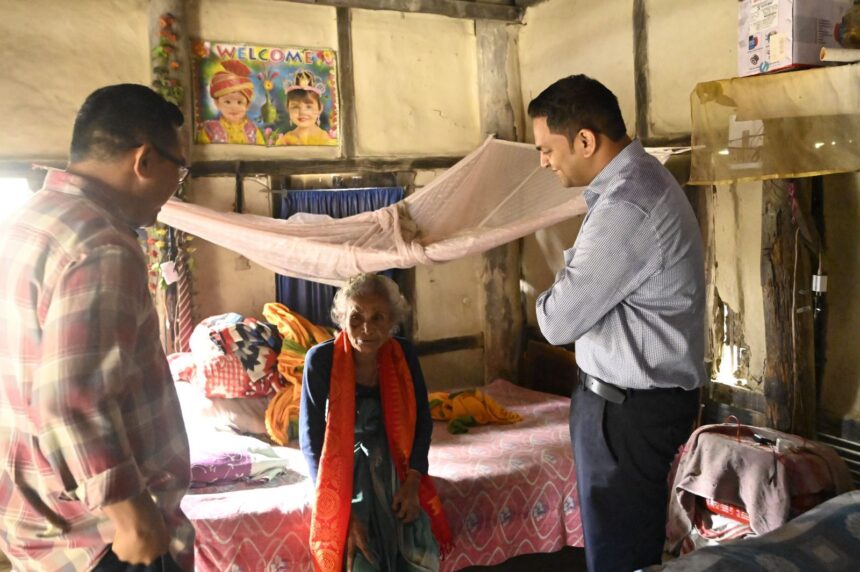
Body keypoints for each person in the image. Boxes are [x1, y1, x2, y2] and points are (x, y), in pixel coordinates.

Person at [0, 84, 194, 571]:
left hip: (39, 520)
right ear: (144, 161)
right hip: (104, 538)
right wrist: (132, 518)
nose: (176, 188)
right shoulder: (102, 244)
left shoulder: (30, 221)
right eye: (180, 171)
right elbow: (71, 401)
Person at [528, 75, 706, 572]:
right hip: (627, 404)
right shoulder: (636, 186)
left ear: (585, 140)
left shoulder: (627, 206)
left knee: (618, 557)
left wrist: (559, 285)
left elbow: (557, 321)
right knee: (620, 548)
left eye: (547, 149)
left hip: (627, 412)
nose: (544, 162)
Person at [299, 273, 451, 571]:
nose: (366, 328)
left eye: (377, 317)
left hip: (397, 457)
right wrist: (343, 514)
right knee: (358, 552)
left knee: (412, 530)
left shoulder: (403, 355)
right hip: (342, 463)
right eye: (356, 318)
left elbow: (422, 421)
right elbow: (311, 440)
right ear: (342, 320)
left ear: (392, 321)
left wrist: (413, 481)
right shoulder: (320, 360)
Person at [198, 59, 265, 145]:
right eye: (227, 102)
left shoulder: (253, 130)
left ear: (247, 105)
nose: (234, 107)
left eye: (239, 102)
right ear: (217, 103)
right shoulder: (209, 130)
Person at [276, 70, 335, 146]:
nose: (302, 112)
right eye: (295, 107)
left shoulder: (327, 139)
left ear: (320, 108)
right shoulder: (285, 140)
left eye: (308, 107)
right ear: (288, 108)